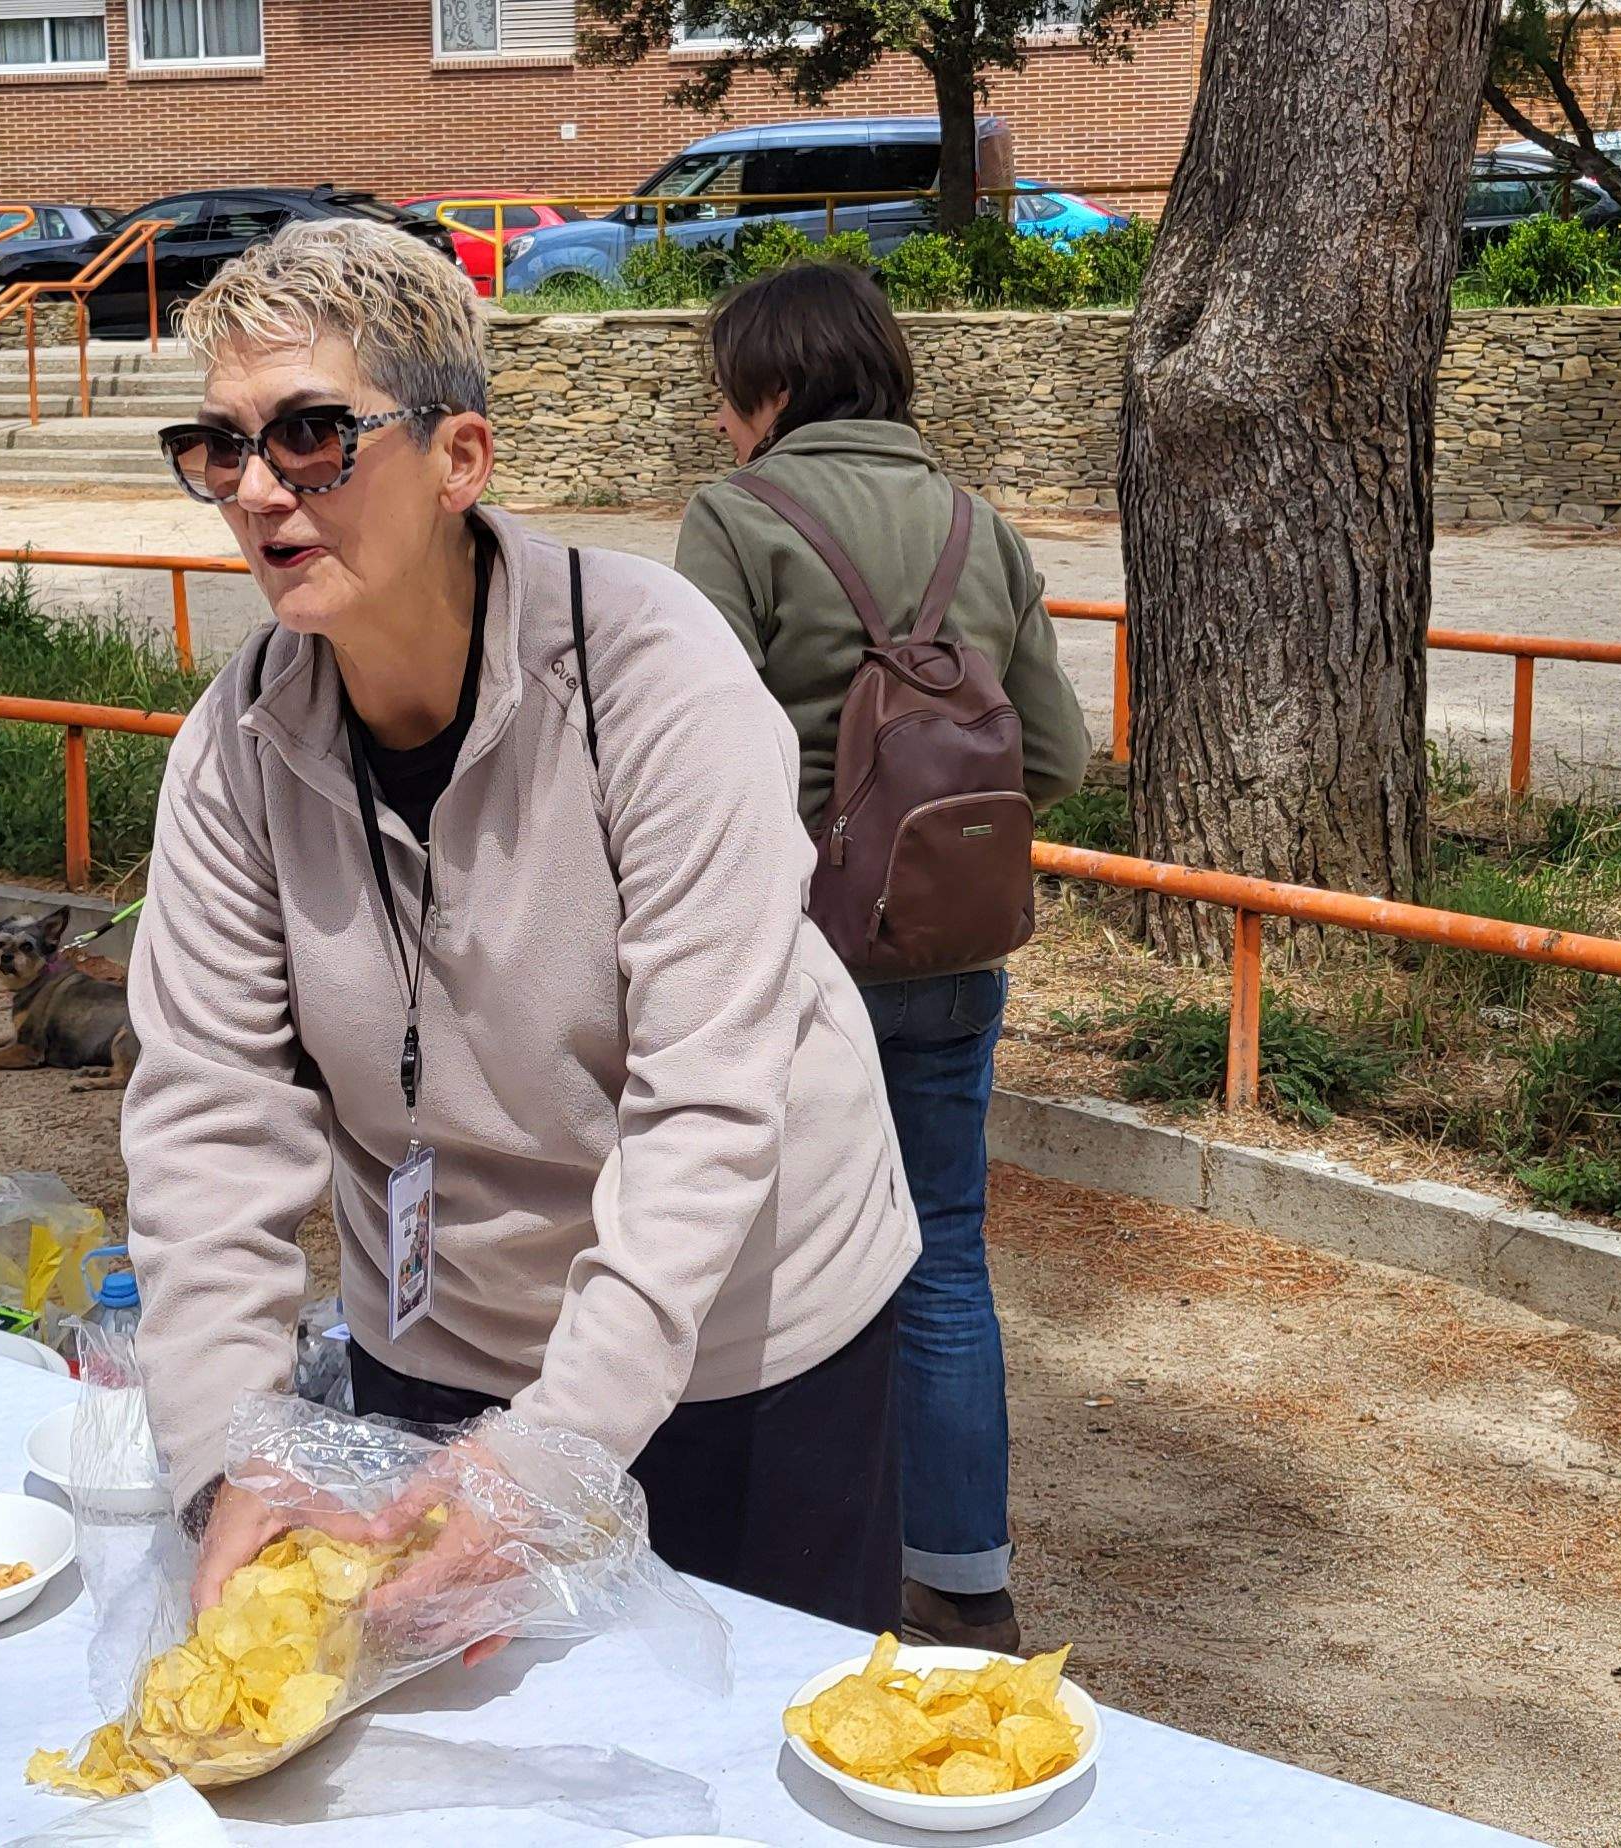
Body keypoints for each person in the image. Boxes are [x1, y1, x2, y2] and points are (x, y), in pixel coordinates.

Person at [118, 220, 923, 1634]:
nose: (256, 490)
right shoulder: (237, 747)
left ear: (461, 460)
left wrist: (557, 1450)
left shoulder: (655, 677)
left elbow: (706, 1111)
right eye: (221, 448)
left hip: (741, 1336)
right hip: (436, 1334)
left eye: (311, 434)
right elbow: (206, 1119)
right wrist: (235, 1452)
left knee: (735, 1762)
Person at [672, 261, 1092, 1654]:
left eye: (732, 397)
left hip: (796, 959)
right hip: (954, 955)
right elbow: (1055, 759)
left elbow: (696, 755)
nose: (726, 426)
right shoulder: (984, 528)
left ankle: (783, 1581)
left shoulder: (739, 520)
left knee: (776, 1270)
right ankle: (964, 1580)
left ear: (777, 390)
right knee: (945, 1255)